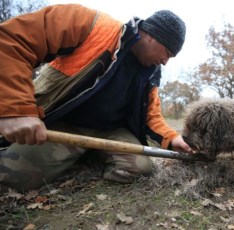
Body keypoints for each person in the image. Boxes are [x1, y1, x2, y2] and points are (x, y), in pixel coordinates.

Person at [0, 4, 193, 192]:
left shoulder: (152, 72)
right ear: (151, 35)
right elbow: (12, 41)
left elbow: (152, 115)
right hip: (64, 124)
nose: (165, 62)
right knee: (12, 178)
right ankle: (79, 153)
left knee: (141, 169)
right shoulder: (90, 23)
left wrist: (172, 138)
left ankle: (88, 154)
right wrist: (16, 108)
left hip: (111, 131)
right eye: (167, 53)